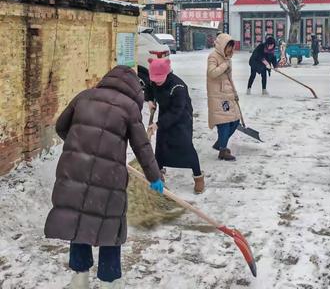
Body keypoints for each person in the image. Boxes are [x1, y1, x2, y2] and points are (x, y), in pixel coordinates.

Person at [44, 66, 164, 289]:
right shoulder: (129, 108)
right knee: (110, 226)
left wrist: (81, 146)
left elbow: (62, 126)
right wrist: (154, 176)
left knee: (78, 219)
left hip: (74, 170)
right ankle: (110, 281)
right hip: (108, 177)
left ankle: (79, 277)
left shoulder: (84, 96)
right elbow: (142, 147)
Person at [145, 58, 205, 194]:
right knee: (161, 147)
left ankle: (198, 177)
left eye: (160, 78)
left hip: (182, 119)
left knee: (186, 147)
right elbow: (149, 88)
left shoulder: (178, 86)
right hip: (164, 115)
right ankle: (158, 176)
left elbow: (177, 111)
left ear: (167, 73)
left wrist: (158, 125)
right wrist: (149, 100)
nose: (157, 82)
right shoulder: (153, 81)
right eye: (155, 79)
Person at [207, 33, 241, 161]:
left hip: (228, 94)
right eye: (228, 47)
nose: (230, 50)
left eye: (232, 47)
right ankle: (222, 149)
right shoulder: (213, 57)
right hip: (218, 96)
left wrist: (235, 93)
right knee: (224, 122)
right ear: (222, 45)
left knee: (235, 120)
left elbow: (229, 78)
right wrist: (224, 65)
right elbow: (211, 73)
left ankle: (221, 144)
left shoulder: (227, 59)